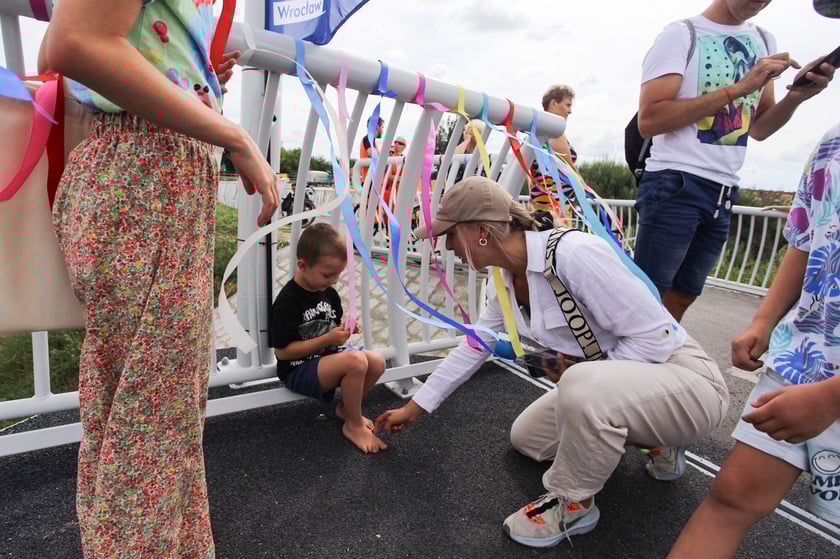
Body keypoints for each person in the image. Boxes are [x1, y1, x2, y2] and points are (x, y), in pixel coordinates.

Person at [375, 176, 729, 547]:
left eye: (450, 235)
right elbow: (475, 345)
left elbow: (658, 336)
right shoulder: (505, 280)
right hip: (629, 384)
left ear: (480, 231)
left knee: (580, 385)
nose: (448, 248)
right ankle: (654, 439)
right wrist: (413, 409)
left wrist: (592, 375)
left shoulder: (572, 253)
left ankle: (574, 505)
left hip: (687, 380)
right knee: (527, 439)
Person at [45, 1, 278, 556]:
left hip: (147, 173)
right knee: (151, 425)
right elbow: (72, 43)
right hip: (148, 176)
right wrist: (235, 136)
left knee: (141, 414)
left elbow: (77, 40)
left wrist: (186, 73)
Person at [669, 8, 840, 557]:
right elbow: (805, 237)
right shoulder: (833, 143)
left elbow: (758, 126)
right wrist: (766, 319)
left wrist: (834, 397)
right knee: (732, 495)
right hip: (805, 356)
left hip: (828, 386)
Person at [633, 0, 835, 323]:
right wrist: (739, 88)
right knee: (644, 299)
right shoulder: (681, 35)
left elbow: (759, 127)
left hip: (723, 190)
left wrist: (798, 96)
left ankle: (649, 365)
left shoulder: (763, 40)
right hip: (674, 183)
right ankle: (617, 369)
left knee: (683, 297)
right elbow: (650, 119)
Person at [269, 223, 388, 454]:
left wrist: (345, 331)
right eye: (327, 274)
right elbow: (282, 353)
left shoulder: (328, 293)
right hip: (297, 369)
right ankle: (353, 425)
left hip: (326, 359)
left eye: (337, 274)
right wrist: (326, 340)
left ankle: (346, 409)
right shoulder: (288, 301)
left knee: (377, 361)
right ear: (303, 265)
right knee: (356, 362)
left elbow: (330, 330)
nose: (333, 281)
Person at [529, 84, 578, 213]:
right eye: (568, 105)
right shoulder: (553, 132)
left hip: (545, 206)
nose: (570, 111)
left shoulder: (539, 130)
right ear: (554, 104)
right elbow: (570, 170)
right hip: (555, 209)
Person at [359, 116, 384, 185]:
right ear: (376, 126)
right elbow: (371, 154)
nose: (383, 131)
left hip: (369, 181)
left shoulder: (370, 140)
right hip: (369, 181)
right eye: (382, 127)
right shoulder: (368, 138)